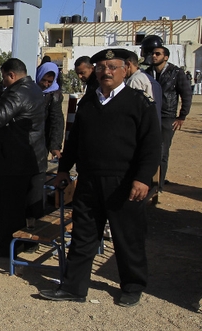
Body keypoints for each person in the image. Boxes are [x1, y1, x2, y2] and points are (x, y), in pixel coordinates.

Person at [39, 48, 161, 307]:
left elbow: (151, 145)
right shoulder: (88, 103)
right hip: (90, 181)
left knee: (127, 238)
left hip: (124, 183)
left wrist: (143, 178)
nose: (107, 72)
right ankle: (73, 287)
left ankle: (132, 286)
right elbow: (74, 140)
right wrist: (64, 169)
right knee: (83, 237)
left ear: (125, 70)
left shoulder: (139, 102)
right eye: (102, 67)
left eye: (112, 67)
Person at [0, 58, 47, 257]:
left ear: (11, 75)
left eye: (4, 77)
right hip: (32, 158)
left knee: (9, 206)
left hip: (13, 161)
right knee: (25, 206)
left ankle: (6, 246)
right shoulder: (33, 89)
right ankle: (28, 242)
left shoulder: (17, 92)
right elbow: (6, 104)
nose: (3, 81)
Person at [142, 36, 192, 195]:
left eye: (158, 54)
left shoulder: (176, 73)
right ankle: (149, 179)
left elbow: (186, 94)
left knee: (162, 151)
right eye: (152, 53)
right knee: (148, 149)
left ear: (166, 57)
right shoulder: (148, 73)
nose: (154, 56)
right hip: (151, 115)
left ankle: (159, 184)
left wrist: (181, 116)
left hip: (167, 116)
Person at [36, 62, 64, 160]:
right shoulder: (30, 90)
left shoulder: (54, 96)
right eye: (43, 80)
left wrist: (55, 146)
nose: (45, 84)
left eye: (49, 82)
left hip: (42, 139)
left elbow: (56, 120)